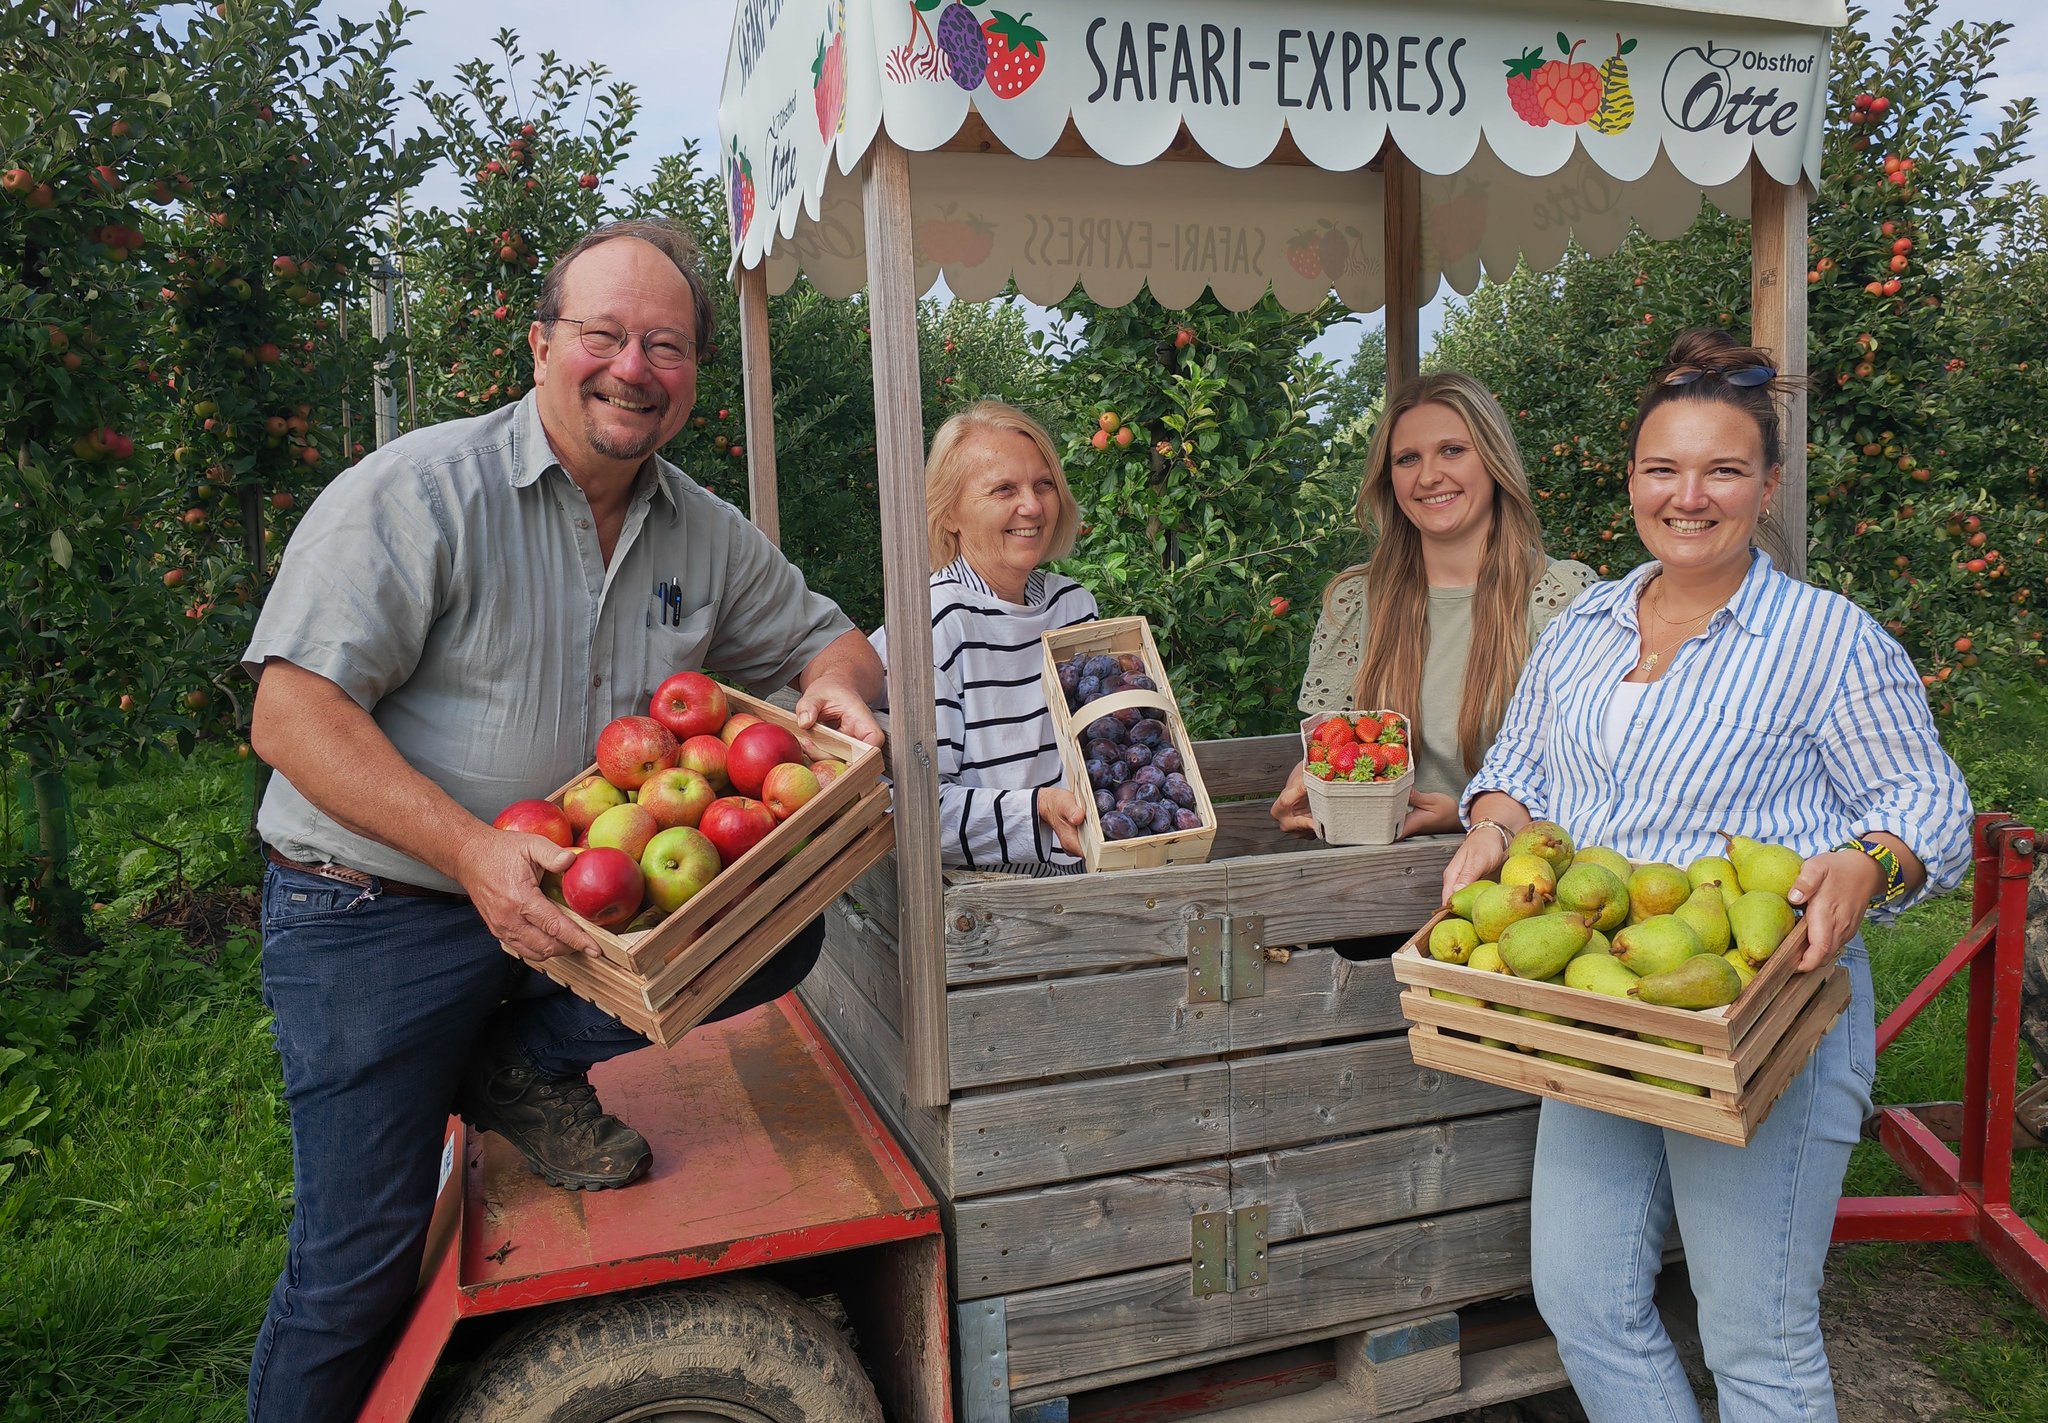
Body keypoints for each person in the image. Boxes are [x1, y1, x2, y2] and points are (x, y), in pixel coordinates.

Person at [241, 218, 884, 1423]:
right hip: (374, 908)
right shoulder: (419, 493)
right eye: (603, 335)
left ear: (692, 375)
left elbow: (827, 639)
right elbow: (292, 714)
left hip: (570, 892)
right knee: (357, 1266)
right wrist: (476, 852)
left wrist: (839, 688)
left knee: (782, 926)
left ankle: (519, 1061)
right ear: (540, 344)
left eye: (667, 345)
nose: (633, 367)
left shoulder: (696, 526)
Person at [1444, 328, 1973, 1423]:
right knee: (1581, 1297)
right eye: (1662, 469)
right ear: (1630, 480)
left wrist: (1864, 864)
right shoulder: (1584, 625)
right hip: (1605, 1000)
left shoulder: (1825, 638)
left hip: (1762, 1008)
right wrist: (1491, 828)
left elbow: (1927, 805)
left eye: (1722, 470)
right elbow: (1516, 769)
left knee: (1754, 1337)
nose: (1688, 496)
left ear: (1766, 485)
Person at [1274, 372, 1593, 840]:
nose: (1428, 476)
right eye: (1407, 459)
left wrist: (1465, 814)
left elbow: (1593, 776)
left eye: (1453, 450)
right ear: (1389, 479)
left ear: (1493, 459)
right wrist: (1311, 799)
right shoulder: (1356, 600)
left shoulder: (1564, 597)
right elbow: (1332, 754)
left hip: (1521, 882)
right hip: (1372, 878)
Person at [870, 400, 1097, 875]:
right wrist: (1035, 811)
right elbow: (905, 808)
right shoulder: (933, 622)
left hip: (1089, 876)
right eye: (1003, 489)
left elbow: (1098, 751)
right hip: (985, 901)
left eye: (1044, 484)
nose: (1032, 506)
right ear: (949, 512)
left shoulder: (1073, 606)